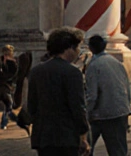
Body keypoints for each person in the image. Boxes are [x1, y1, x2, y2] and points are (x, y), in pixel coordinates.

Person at [26, 28, 89, 156]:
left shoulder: (36, 71)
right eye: (77, 47)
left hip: (43, 136)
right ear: (69, 48)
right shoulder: (73, 73)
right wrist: (83, 134)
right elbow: (77, 106)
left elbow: (31, 106)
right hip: (66, 136)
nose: (78, 51)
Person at [83, 34, 131, 156]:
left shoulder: (93, 65)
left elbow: (92, 95)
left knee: (86, 147)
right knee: (118, 150)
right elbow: (127, 86)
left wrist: (87, 112)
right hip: (120, 110)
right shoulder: (116, 62)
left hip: (101, 114)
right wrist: (128, 108)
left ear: (90, 48)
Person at [0, 45, 19, 130]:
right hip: (2, 86)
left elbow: (14, 73)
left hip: (8, 86)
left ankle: (11, 120)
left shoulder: (11, 61)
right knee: (9, 103)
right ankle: (7, 121)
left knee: (8, 105)